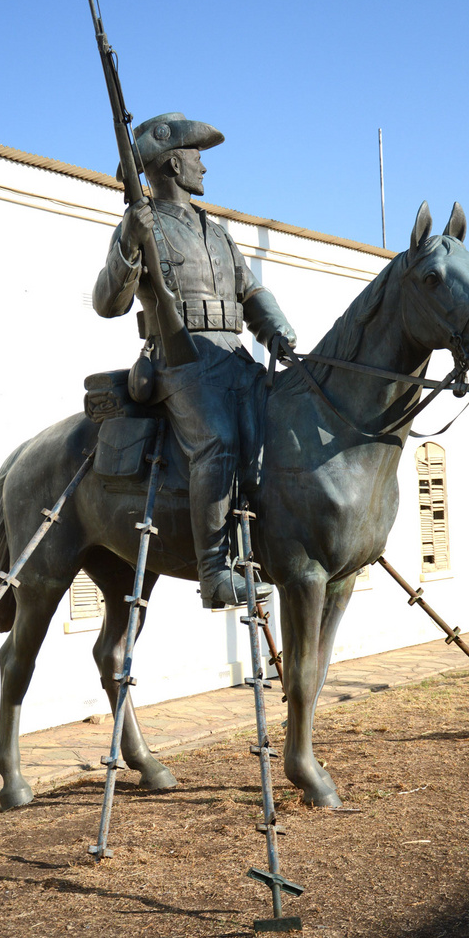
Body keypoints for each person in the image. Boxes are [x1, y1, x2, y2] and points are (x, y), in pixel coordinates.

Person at [93, 113, 297, 608]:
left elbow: (250, 292)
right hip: (179, 362)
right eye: (195, 156)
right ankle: (214, 571)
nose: (203, 166)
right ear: (170, 164)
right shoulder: (140, 225)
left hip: (232, 354)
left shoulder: (218, 233)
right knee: (218, 442)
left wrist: (279, 334)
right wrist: (127, 245)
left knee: (289, 425)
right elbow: (107, 303)